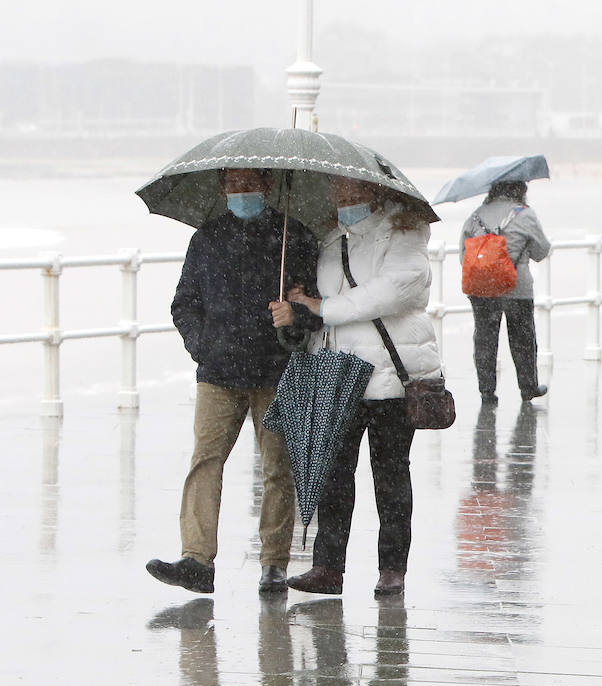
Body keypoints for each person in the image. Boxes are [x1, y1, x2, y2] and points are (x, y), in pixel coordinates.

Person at [146, 168, 319, 595]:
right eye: (234, 185)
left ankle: (274, 563)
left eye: (250, 184)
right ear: (222, 187)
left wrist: (294, 315)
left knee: (279, 468)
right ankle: (196, 559)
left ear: (267, 184)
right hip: (218, 373)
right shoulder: (206, 239)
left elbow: (314, 303)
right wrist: (202, 346)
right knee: (205, 461)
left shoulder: (292, 236)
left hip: (278, 371)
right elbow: (184, 302)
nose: (242, 192)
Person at [270, 176, 440, 598]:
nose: (342, 194)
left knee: (390, 476)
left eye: (352, 188)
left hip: (391, 375)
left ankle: (392, 569)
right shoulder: (330, 237)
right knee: (333, 474)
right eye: (337, 188)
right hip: (338, 374)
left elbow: (392, 292)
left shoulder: (404, 234)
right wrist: (300, 304)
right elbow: (321, 305)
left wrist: (324, 308)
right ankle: (328, 567)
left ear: (376, 191)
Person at [461, 180, 551, 405]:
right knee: (523, 339)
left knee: (484, 339)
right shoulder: (525, 215)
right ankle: (528, 387)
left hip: (481, 289)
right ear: (519, 190)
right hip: (516, 288)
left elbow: (464, 255)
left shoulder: (475, 216)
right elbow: (541, 251)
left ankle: (487, 391)